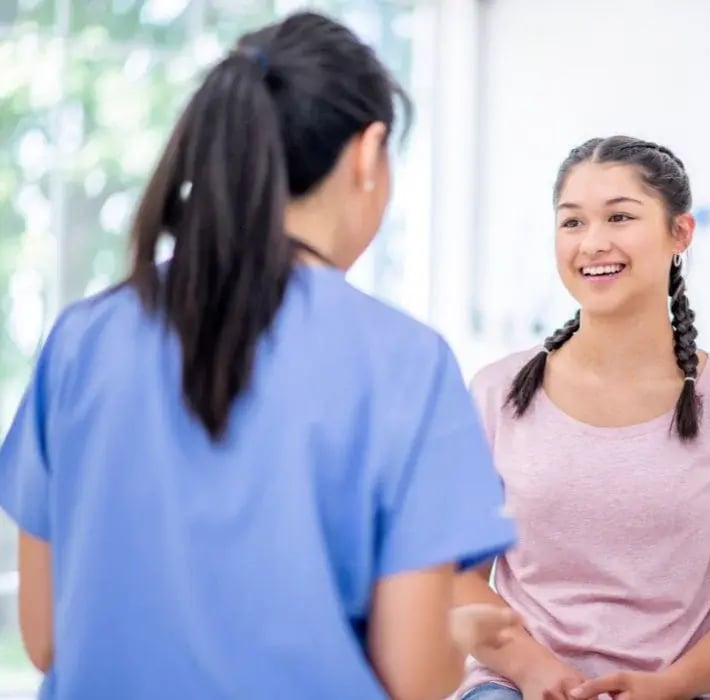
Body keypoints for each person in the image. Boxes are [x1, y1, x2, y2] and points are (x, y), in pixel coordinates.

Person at [0, 12, 519, 700]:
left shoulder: (83, 340)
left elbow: (46, 636)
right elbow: (414, 678)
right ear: (368, 154)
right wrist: (448, 635)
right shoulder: (403, 363)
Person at [454, 136, 710, 700]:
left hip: (678, 689)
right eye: (572, 223)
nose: (593, 243)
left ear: (680, 233)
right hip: (516, 685)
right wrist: (542, 674)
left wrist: (666, 687)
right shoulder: (496, 392)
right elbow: (460, 577)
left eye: (620, 217)